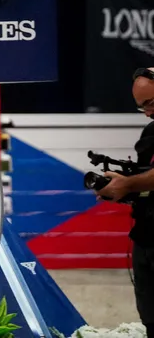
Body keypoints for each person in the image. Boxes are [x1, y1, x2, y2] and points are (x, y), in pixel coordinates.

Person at [95, 67, 154, 335]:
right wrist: (123, 189)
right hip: (146, 236)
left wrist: (129, 183)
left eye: (150, 103)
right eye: (142, 107)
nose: (148, 112)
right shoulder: (151, 132)